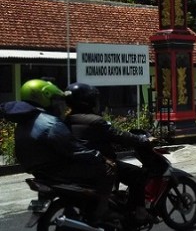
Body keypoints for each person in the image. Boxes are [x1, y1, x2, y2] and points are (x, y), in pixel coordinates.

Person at [0, 79, 117, 221]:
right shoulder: (49, 122)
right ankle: (102, 210)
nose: (60, 105)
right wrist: (100, 157)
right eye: (56, 100)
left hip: (38, 169)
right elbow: (74, 149)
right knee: (107, 169)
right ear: (43, 97)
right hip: (57, 168)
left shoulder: (25, 120)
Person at [63, 82, 151, 223]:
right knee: (138, 174)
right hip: (100, 163)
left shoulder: (67, 120)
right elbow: (119, 135)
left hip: (78, 165)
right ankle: (139, 211)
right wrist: (142, 140)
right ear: (88, 101)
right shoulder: (95, 121)